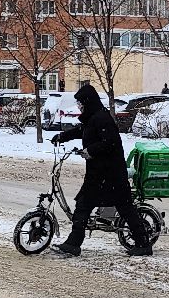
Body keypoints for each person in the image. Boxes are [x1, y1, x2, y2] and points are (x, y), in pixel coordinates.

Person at [51, 83, 152, 257]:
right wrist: (62, 136)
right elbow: (82, 131)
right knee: (104, 206)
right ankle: (74, 243)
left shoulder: (102, 118)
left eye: (80, 103)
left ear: (88, 102)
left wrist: (90, 150)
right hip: (102, 173)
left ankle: (143, 244)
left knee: (106, 206)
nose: (79, 106)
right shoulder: (93, 118)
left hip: (109, 174)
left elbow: (111, 142)